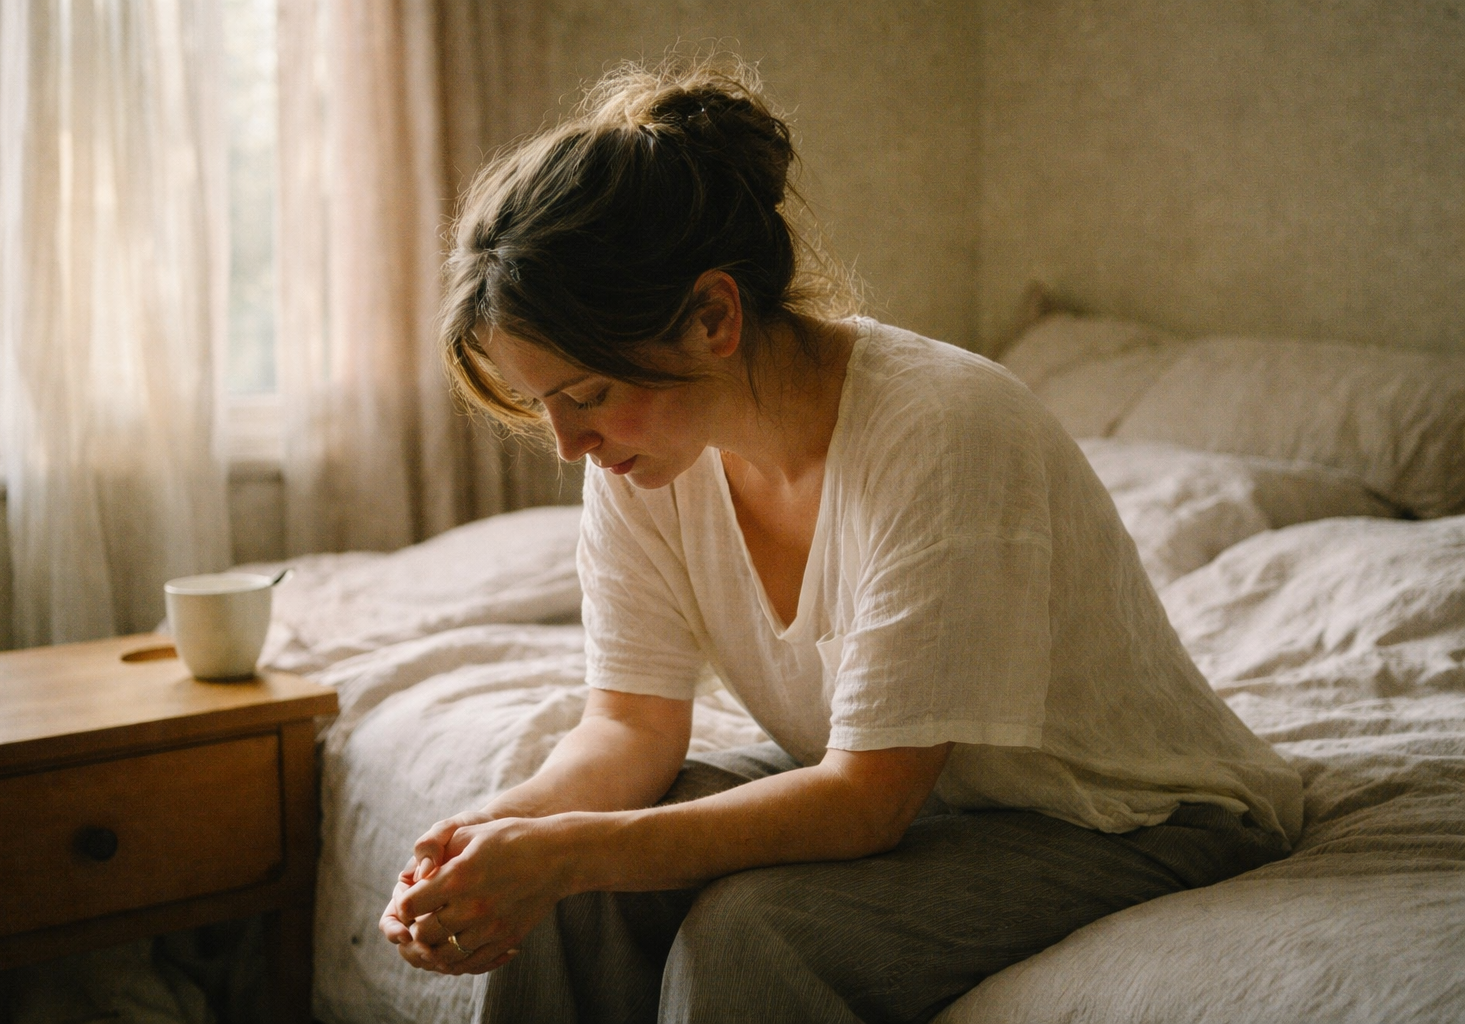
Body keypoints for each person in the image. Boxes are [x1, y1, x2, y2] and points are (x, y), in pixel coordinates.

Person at [379, 57, 1302, 1023]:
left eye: (588, 394)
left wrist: (567, 851)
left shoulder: (942, 429)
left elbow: (867, 801)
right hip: (908, 785)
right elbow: (631, 728)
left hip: (1116, 813)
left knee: (751, 934)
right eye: (546, 406)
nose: (570, 444)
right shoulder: (645, 456)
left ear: (713, 316)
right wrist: (490, 836)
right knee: (572, 893)